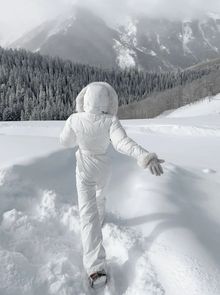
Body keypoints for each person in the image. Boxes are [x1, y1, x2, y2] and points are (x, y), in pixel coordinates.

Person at [59, 82, 164, 288]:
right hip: (104, 169)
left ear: (85, 99)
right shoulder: (111, 121)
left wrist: (75, 133)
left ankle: (95, 268)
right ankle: (99, 217)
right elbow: (123, 143)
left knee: (87, 215)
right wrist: (145, 156)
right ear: (108, 101)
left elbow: (65, 142)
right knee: (99, 198)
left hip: (85, 169)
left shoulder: (74, 119)